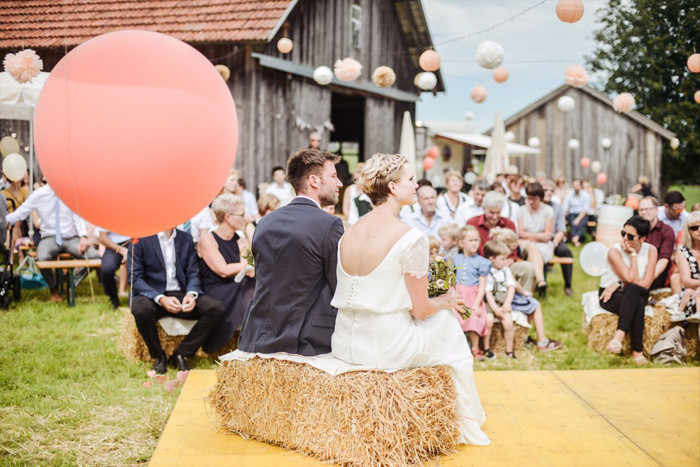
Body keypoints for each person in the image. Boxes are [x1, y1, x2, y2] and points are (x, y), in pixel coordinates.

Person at [331, 153, 490, 446]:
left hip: (344, 341)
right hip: (386, 347)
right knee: (448, 327)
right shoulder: (410, 237)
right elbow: (420, 310)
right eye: (411, 179)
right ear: (392, 187)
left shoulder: (348, 233)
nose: (416, 185)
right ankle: (467, 422)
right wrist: (446, 300)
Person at [238, 149, 344, 355]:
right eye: (333, 176)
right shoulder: (329, 225)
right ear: (314, 181)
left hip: (256, 334)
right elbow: (338, 283)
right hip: (308, 340)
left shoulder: (265, 222)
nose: (339, 183)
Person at [130, 228, 226, 373]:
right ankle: (159, 356)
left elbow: (193, 272)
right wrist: (160, 298)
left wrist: (191, 294)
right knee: (140, 309)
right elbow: (136, 278)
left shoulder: (185, 238)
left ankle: (181, 353)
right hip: (152, 295)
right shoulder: (140, 238)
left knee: (215, 308)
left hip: (181, 293)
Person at [6, 183, 100, 302]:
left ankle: (71, 284)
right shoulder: (39, 194)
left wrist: (83, 236)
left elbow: (77, 216)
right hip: (49, 237)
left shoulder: (70, 192)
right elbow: (20, 213)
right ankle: (53, 288)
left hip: (71, 237)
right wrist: (3, 220)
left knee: (94, 256)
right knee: (41, 257)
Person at [482, 240, 561, 358]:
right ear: (492, 259)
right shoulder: (487, 272)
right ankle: (486, 348)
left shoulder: (506, 270)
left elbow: (511, 287)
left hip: (504, 301)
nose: (506, 262)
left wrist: (508, 303)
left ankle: (509, 351)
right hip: (491, 302)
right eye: (503, 259)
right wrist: (495, 308)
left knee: (508, 324)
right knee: (488, 321)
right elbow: (488, 292)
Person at [198, 194, 256, 353]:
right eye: (242, 215)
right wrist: (245, 266)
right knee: (253, 288)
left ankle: (250, 342)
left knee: (254, 284)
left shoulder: (240, 240)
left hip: (236, 285)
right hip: (215, 289)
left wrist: (248, 267)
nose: (246, 218)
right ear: (228, 217)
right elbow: (223, 270)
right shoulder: (208, 239)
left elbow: (249, 265)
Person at [598, 216, 658, 365]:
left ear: (642, 238)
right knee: (636, 301)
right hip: (610, 295)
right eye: (623, 233)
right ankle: (637, 351)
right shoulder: (614, 251)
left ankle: (619, 336)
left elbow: (646, 283)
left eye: (630, 236)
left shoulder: (651, 250)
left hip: (634, 292)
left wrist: (620, 282)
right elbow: (631, 279)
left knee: (633, 291)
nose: (625, 238)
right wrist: (632, 255)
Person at [467, 192, 537, 293]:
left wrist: (504, 264)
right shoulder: (473, 223)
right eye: (491, 212)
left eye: (498, 212)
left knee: (528, 267)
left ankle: (523, 301)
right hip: (481, 268)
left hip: (505, 266)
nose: (495, 217)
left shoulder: (508, 224)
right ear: (484, 209)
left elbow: (513, 254)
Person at [453, 225, 491, 361]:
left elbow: (482, 285)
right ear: (461, 243)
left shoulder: (482, 262)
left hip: (473, 296)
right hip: (458, 294)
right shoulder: (455, 259)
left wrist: (476, 304)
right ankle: (458, 348)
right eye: (471, 240)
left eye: (476, 240)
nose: (475, 243)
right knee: (454, 318)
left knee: (474, 318)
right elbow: (451, 280)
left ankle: (475, 347)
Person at [517, 182, 554, 296]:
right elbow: (521, 233)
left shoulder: (548, 210)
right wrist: (539, 236)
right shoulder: (521, 210)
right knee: (531, 247)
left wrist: (530, 236)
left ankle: (529, 293)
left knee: (532, 258)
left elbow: (548, 235)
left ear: (540, 198)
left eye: (534, 199)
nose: (531, 202)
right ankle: (541, 280)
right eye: (529, 198)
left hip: (543, 247)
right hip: (526, 245)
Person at [543, 180, 574, 296]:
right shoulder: (536, 206)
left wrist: (554, 244)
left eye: (551, 190)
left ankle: (568, 285)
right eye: (546, 190)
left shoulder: (557, 207)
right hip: (539, 239)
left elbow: (561, 230)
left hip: (554, 240)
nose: (549, 192)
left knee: (566, 252)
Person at [638, 196, 675, 290]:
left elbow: (664, 259)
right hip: (637, 268)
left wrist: (648, 279)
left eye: (647, 209)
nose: (643, 212)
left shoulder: (667, 230)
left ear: (656, 210)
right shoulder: (635, 229)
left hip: (656, 272)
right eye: (641, 209)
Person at [98, 230, 130, 309]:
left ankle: (136, 298)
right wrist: (121, 249)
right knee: (107, 270)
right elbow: (102, 237)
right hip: (113, 246)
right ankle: (113, 298)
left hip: (135, 242)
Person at [677, 212, 700, 319]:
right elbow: (686, 281)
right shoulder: (683, 250)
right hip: (691, 294)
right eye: (695, 227)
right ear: (689, 231)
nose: (699, 230)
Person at [562, 178, 591, 246]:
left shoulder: (586, 195)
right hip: (572, 213)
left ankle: (575, 238)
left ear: (581, 186)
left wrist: (578, 219)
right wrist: (562, 217)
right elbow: (565, 208)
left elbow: (585, 210)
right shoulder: (569, 194)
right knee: (573, 222)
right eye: (574, 185)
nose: (575, 187)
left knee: (581, 223)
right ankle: (576, 239)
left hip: (583, 214)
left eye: (577, 185)